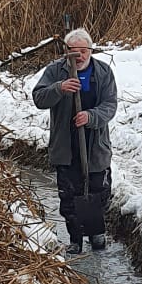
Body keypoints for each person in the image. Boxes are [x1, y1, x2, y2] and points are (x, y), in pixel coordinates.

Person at [32, 28, 116, 255]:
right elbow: (39, 98)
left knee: (98, 191)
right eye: (73, 51)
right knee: (69, 193)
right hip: (66, 144)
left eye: (83, 51)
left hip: (95, 143)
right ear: (66, 51)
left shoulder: (103, 72)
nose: (79, 56)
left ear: (90, 51)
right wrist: (59, 88)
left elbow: (110, 105)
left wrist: (91, 117)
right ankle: (75, 238)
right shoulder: (55, 71)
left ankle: (97, 234)